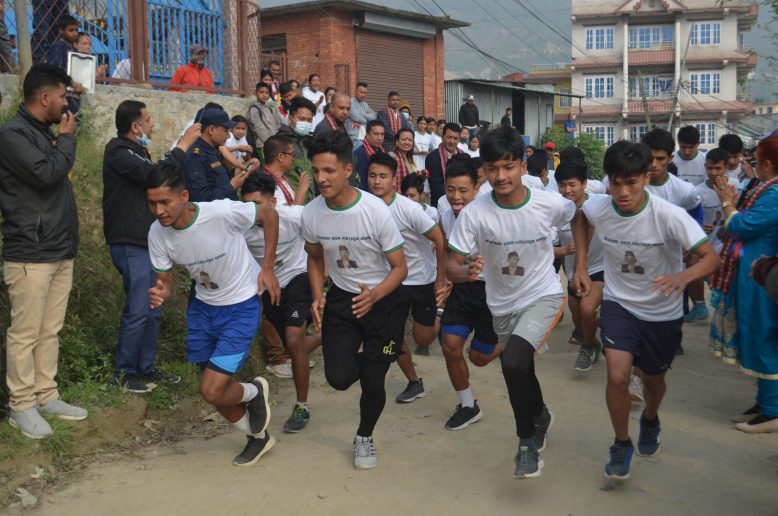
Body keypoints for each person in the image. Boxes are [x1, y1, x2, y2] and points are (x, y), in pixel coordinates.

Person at [572, 140, 720, 480]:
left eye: (631, 182)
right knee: (618, 375)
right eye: (615, 182)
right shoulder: (601, 206)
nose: (622, 192)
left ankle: (651, 418)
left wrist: (684, 276)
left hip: (662, 313)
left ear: (647, 178)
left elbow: (712, 257)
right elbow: (580, 217)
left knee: (654, 379)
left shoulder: (669, 216)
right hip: (619, 305)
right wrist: (581, 265)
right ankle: (621, 442)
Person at [448, 127, 575, 478]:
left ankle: (526, 444)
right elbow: (451, 261)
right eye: (492, 168)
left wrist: (584, 274)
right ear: (483, 172)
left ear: (522, 166)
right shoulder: (475, 213)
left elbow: (579, 215)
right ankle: (541, 415)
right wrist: (464, 271)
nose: (500, 176)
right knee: (523, 367)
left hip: (543, 295)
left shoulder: (548, 202)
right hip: (501, 304)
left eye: (508, 167)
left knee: (514, 363)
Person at [146, 164, 280, 466]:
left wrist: (267, 268)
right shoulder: (157, 233)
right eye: (152, 203)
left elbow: (269, 215)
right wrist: (162, 292)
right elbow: (164, 281)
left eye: (165, 201)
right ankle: (257, 437)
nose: (158, 210)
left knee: (210, 389)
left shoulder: (219, 212)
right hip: (203, 309)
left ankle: (251, 391)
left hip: (240, 306)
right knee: (213, 387)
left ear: (184, 196)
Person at [302, 131, 408, 470]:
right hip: (342, 302)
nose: (321, 179)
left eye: (329, 171)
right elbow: (315, 258)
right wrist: (318, 294)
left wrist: (374, 295)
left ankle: (364, 436)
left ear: (348, 170)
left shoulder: (375, 211)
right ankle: (375, 358)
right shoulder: (312, 213)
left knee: (375, 382)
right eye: (317, 171)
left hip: (384, 300)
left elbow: (400, 268)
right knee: (339, 378)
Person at [0, 64, 87, 439]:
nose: (66, 104)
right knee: (25, 333)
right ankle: (21, 405)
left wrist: (60, 140)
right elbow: (47, 174)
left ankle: (46, 394)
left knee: (50, 330)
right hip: (29, 253)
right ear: (45, 97)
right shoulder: (12, 135)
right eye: (63, 96)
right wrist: (66, 140)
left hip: (58, 248)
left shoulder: (41, 133)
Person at [103, 100, 201, 393]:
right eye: (148, 121)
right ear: (135, 127)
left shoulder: (138, 152)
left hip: (148, 242)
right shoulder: (119, 152)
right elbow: (156, 176)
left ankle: (145, 368)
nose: (152, 125)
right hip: (130, 241)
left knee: (153, 307)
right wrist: (182, 145)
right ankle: (124, 373)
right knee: (138, 308)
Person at [241, 173, 321, 433]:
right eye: (247, 205)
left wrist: (325, 272)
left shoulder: (295, 216)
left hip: (299, 276)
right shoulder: (241, 228)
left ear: (273, 203)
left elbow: (324, 236)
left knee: (294, 338)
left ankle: (301, 406)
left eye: (256, 204)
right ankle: (330, 332)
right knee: (293, 346)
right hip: (270, 288)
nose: (252, 211)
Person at [709, 135, 778, 434]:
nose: (750, 164)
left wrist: (726, 199)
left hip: (763, 276)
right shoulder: (763, 188)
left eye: (754, 160)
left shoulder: (775, 194)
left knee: (763, 335)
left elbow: (740, 225)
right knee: (755, 335)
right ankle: (765, 403)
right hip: (753, 271)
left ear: (766, 164)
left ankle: (773, 409)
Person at [366, 153, 447, 403]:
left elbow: (438, 238)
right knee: (394, 336)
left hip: (421, 278)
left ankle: (441, 312)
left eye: (383, 176)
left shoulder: (408, 209)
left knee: (423, 339)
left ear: (394, 179)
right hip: (391, 281)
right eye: (372, 176)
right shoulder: (365, 206)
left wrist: (440, 278)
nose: (377, 181)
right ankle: (414, 382)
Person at [435, 154, 494, 433]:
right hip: (461, 289)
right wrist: (445, 280)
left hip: (490, 291)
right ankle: (468, 405)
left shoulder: (491, 211)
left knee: (479, 358)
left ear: (476, 188)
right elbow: (447, 250)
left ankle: (514, 336)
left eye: (463, 191)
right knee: (450, 345)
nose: (455, 197)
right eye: (450, 190)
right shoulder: (446, 214)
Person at [554, 159, 606, 371]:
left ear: (584, 183)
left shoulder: (601, 203)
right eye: (562, 185)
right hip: (573, 272)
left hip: (600, 269)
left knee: (587, 309)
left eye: (572, 184)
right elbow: (545, 246)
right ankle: (592, 343)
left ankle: (586, 346)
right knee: (578, 318)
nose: (567, 190)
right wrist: (565, 251)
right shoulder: (556, 210)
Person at [184, 108, 251, 203]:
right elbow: (199, 199)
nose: (228, 136)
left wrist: (236, 178)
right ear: (211, 130)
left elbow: (220, 180)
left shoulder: (213, 150)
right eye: (225, 131)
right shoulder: (195, 156)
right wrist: (231, 186)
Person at [693, 148, 740, 254]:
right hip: (708, 247)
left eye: (718, 168)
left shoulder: (737, 186)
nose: (713, 173)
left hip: (729, 247)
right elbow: (691, 220)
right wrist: (699, 225)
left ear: (726, 167)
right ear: (705, 166)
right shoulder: (697, 192)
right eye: (710, 168)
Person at [261, 134, 310, 206]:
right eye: (292, 155)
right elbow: (291, 215)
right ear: (281, 157)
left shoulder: (282, 177)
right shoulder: (267, 184)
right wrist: (302, 189)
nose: (294, 159)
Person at [427, 122, 463, 207]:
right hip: (441, 204)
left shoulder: (463, 156)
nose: (452, 141)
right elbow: (435, 186)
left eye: (455, 138)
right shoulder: (432, 157)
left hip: (462, 203)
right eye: (449, 137)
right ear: (442, 137)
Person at [248, 82, 282, 160]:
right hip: (262, 144)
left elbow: (278, 124)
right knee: (266, 165)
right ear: (256, 93)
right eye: (261, 92)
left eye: (267, 92)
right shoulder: (254, 109)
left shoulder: (270, 108)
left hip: (274, 142)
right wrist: (270, 141)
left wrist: (275, 139)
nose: (264, 95)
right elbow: (258, 128)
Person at [353, 120, 385, 190]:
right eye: (376, 134)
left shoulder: (382, 151)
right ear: (367, 135)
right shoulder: (360, 153)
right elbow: (362, 180)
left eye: (382, 134)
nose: (379, 138)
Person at [390, 128, 422, 193]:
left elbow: (414, 173)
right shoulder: (391, 156)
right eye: (404, 139)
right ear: (397, 141)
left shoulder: (409, 159)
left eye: (410, 140)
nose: (407, 142)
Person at [349, 82, 377, 148]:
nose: (363, 95)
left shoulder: (365, 104)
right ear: (355, 91)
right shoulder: (350, 102)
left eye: (365, 93)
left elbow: (374, 116)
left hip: (364, 138)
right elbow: (359, 119)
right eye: (361, 92)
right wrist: (366, 117)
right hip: (354, 138)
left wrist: (362, 113)